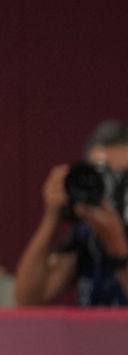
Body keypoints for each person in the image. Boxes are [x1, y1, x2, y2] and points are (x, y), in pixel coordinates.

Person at [15, 120, 128, 308]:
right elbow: (28, 297)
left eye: (122, 176)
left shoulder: (105, 233)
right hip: (93, 337)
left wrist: (117, 244)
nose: (110, 184)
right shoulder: (88, 233)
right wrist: (52, 215)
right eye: (101, 174)